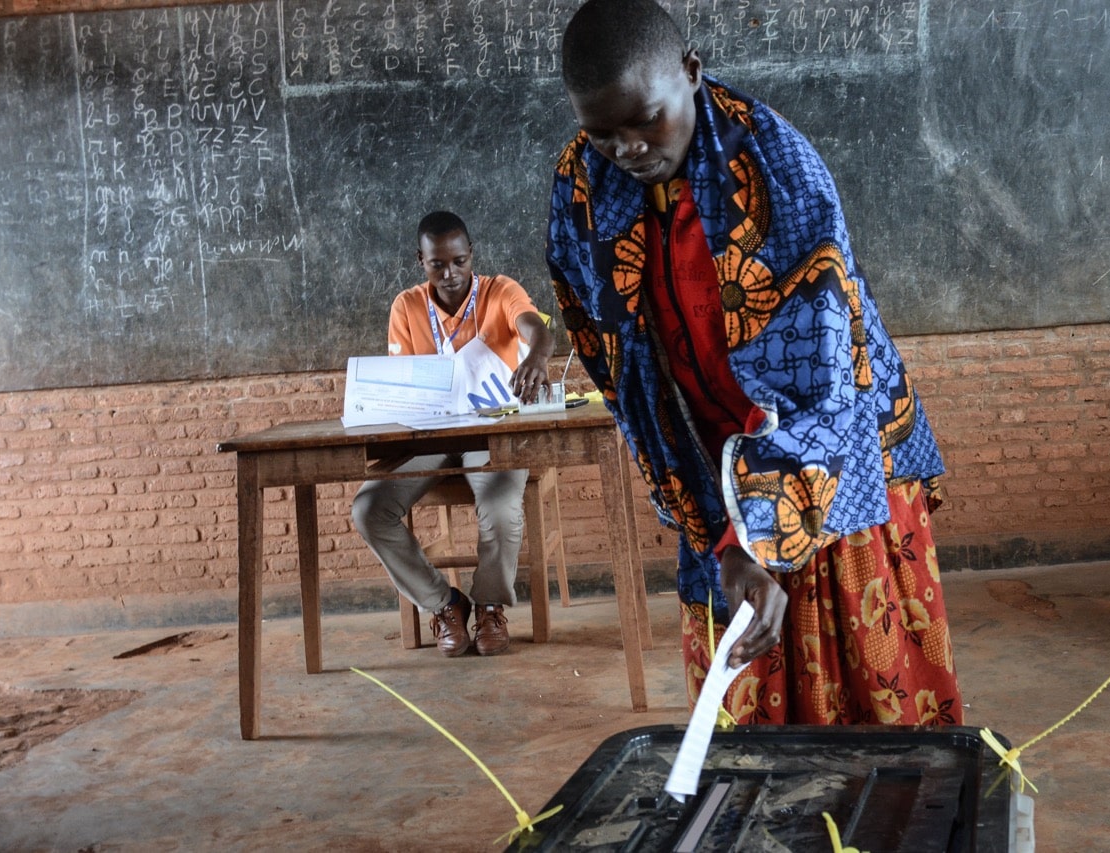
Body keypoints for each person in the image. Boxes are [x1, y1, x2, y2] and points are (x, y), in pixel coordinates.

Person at [547, 0, 962, 724]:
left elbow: (821, 382)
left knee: (869, 711)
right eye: (602, 131)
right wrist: (714, 531)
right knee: (745, 726)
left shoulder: (775, 172)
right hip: (716, 478)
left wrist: (755, 537)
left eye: (646, 118)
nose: (629, 147)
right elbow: (622, 372)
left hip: (835, 472)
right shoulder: (583, 191)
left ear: (691, 73)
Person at [352, 211, 554, 657]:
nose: (450, 273)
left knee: (500, 507)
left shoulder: (500, 291)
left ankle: (489, 607)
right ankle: (445, 604)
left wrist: (537, 355)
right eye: (437, 264)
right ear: (420, 261)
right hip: (428, 437)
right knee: (369, 508)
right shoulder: (406, 307)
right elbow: (400, 387)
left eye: (459, 261)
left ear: (471, 256)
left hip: (492, 433)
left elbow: (535, 327)